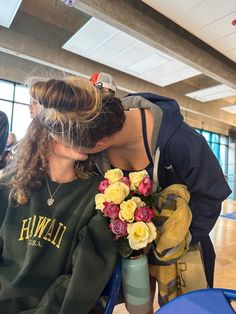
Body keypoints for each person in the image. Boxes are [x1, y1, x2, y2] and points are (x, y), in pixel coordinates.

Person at [73, 92, 231, 295]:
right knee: (137, 303)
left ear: (100, 142)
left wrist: (178, 240)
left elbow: (212, 194)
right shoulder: (96, 153)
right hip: (132, 250)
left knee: (187, 306)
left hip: (184, 247)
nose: (80, 155)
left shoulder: (181, 141)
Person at [0, 77, 117, 314]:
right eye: (77, 126)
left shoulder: (100, 199)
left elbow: (81, 284)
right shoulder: (8, 187)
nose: (87, 135)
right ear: (47, 130)